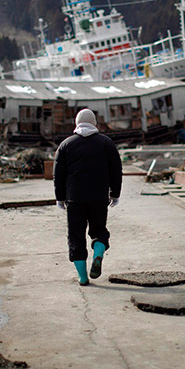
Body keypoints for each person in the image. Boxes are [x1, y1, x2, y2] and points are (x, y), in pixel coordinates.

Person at [54, 108, 122, 286]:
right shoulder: (106, 143)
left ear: (76, 123)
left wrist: (59, 198)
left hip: (74, 199)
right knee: (99, 230)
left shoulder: (66, 145)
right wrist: (115, 194)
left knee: (76, 236)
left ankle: (83, 278)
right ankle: (98, 254)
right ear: (94, 123)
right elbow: (116, 170)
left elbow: (58, 174)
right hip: (99, 197)